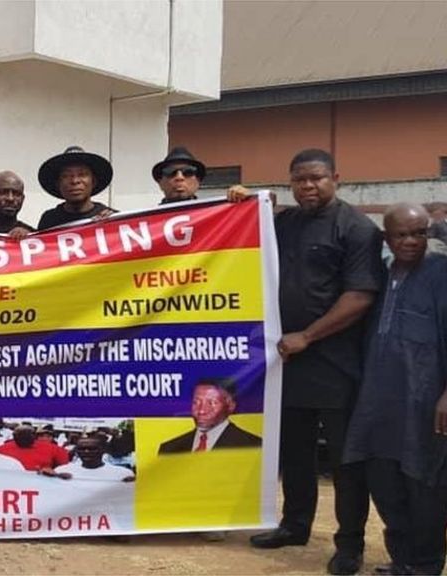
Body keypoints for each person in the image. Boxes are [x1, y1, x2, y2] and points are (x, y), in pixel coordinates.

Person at [246, 149, 381, 576]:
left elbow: (359, 296)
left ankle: (349, 544)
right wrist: (244, 201)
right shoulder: (286, 223)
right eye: (299, 179)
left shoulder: (357, 228)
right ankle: (295, 524)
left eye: (316, 178)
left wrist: (307, 335)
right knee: (295, 451)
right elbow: (247, 224)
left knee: (345, 461)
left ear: (335, 178)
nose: (308, 186)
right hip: (288, 360)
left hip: (337, 362)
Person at [343, 204, 447, 576]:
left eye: (419, 233)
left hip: (424, 403)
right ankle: (402, 559)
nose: (411, 241)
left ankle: (425, 564)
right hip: (378, 402)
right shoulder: (379, 276)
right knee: (383, 482)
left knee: (424, 485)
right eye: (401, 234)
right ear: (386, 238)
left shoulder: (441, 273)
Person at [158, 378, 261, 454]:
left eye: (212, 403)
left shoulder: (254, 446)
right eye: (196, 402)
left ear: (230, 406)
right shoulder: (169, 449)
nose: (202, 410)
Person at [36, 146, 116, 230]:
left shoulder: (111, 218)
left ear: (93, 181)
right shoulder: (49, 220)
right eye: (66, 176)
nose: (75, 181)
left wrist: (111, 226)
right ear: (58, 184)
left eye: (82, 174)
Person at [0, 425, 70, 474]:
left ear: (34, 435)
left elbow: (65, 470)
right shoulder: (1, 449)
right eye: (20, 435)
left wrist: (54, 472)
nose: (24, 438)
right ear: (14, 436)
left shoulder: (55, 449)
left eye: (27, 435)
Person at [57, 437, 134, 481]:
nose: (86, 452)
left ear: (103, 450)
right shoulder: (62, 471)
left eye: (92, 449)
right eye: (82, 449)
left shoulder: (123, 474)